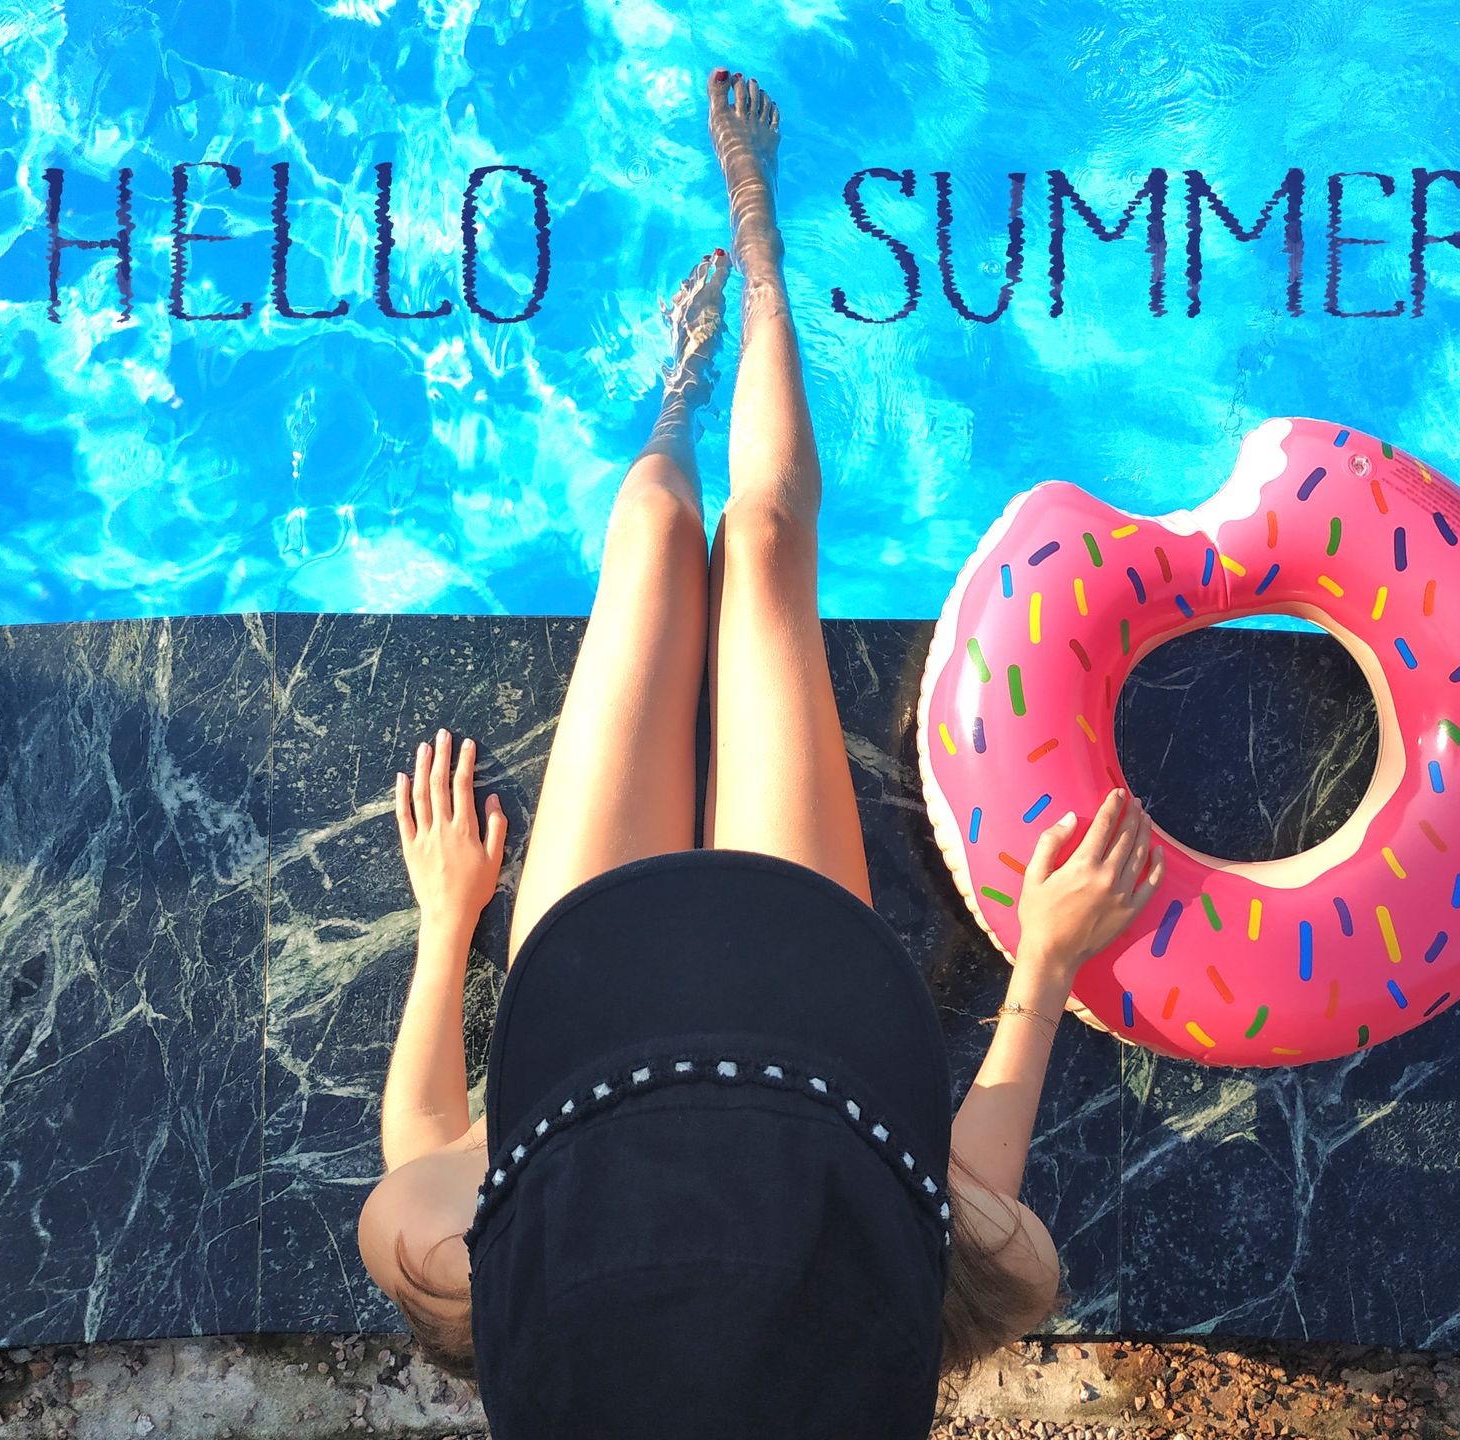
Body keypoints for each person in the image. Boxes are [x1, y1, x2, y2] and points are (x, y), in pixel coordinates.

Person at [357, 67, 1166, 1436]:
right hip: (802, 982)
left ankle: (681, 381)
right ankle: (759, 239)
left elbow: (431, 1155)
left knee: (661, 541)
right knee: (768, 547)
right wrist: (1042, 960)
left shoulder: (465, 1269)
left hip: (595, 986)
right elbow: (972, 1216)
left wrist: (450, 928)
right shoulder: (906, 1320)